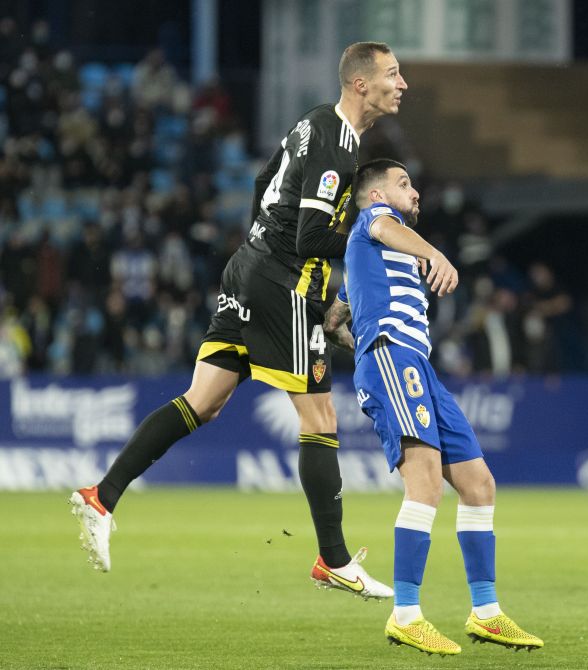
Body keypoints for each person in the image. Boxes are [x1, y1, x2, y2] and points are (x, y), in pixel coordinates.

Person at [69, 43, 407, 602]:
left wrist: (258, 250)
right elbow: (309, 239)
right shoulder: (337, 146)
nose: (403, 83)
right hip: (280, 283)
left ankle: (101, 496)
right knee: (320, 416)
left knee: (204, 400)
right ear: (360, 85)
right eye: (393, 74)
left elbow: (261, 181)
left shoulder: (311, 125)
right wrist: (370, 242)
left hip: (247, 270)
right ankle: (334, 560)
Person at [326, 159, 543, 655]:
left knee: (479, 484)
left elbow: (335, 317)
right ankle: (406, 614)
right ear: (377, 194)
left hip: (418, 367)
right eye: (404, 184)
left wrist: (341, 322)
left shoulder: (381, 252)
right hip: (393, 356)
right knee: (424, 484)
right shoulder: (377, 223)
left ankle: (486, 613)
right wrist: (436, 254)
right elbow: (379, 224)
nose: (416, 191)